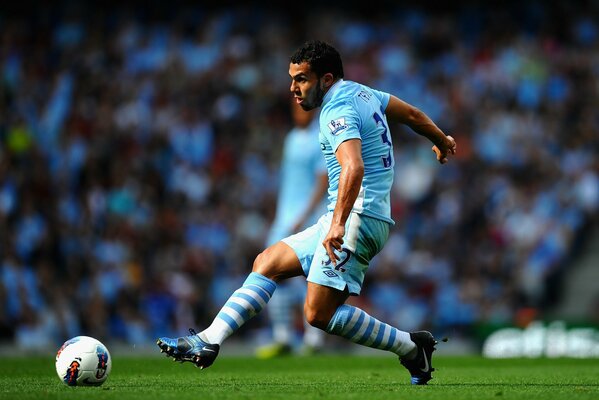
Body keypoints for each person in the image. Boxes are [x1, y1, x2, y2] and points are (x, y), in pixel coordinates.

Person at [157, 40, 456, 385]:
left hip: (358, 218)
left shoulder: (336, 109)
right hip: (347, 215)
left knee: (317, 314)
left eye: (301, 79)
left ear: (326, 79)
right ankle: (209, 340)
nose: (293, 89)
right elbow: (413, 116)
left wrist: (338, 225)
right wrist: (441, 138)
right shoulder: (364, 93)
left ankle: (410, 348)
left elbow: (353, 168)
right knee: (267, 262)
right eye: (292, 78)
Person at [256, 100, 328, 359]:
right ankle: (283, 336)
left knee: (309, 276)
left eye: (304, 108)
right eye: (296, 109)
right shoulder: (291, 139)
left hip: (306, 218)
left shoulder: (320, 139)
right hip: (284, 218)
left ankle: (313, 337)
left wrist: (305, 215)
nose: (300, 113)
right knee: (271, 272)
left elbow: (323, 181)